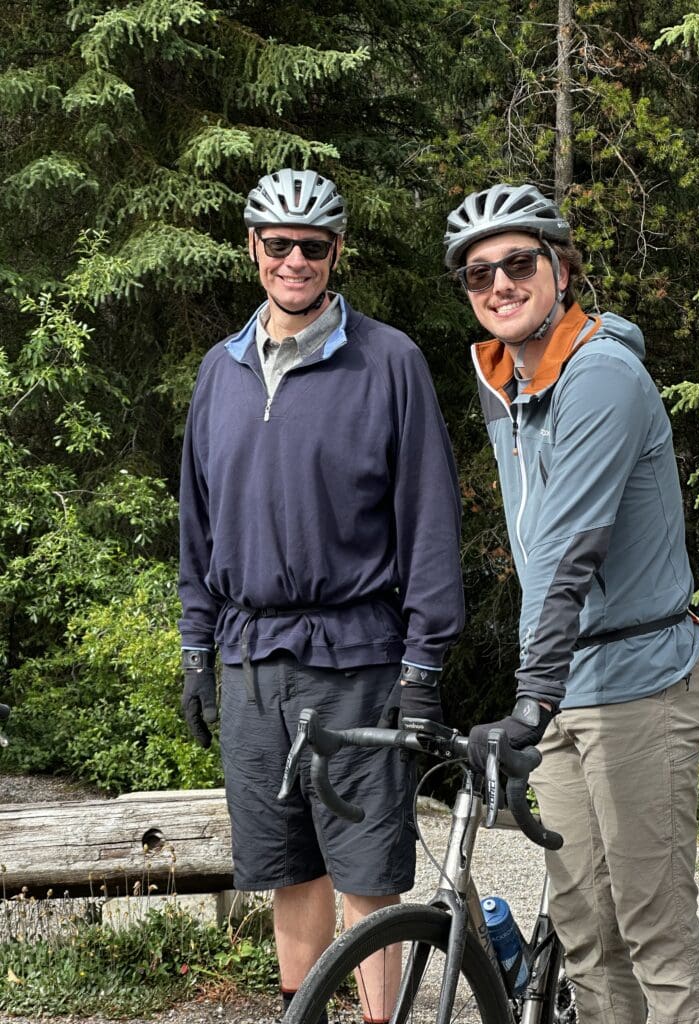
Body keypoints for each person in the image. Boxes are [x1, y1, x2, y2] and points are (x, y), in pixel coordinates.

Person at [178, 167, 464, 1019]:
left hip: (358, 659)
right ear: (252, 249)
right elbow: (197, 525)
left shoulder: (390, 361)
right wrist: (195, 647)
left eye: (312, 245)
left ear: (336, 252)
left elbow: (429, 521)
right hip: (250, 660)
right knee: (288, 867)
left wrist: (424, 664)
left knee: (368, 871)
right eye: (279, 244)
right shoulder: (220, 371)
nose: (294, 260)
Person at [445, 183, 699, 1024]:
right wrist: (542, 696)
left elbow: (568, 552)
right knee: (588, 935)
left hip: (638, 684)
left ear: (560, 270)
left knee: (653, 932)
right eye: (479, 273)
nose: (500, 284)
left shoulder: (600, 375)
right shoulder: (508, 384)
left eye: (518, 263)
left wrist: (529, 699)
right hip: (567, 687)